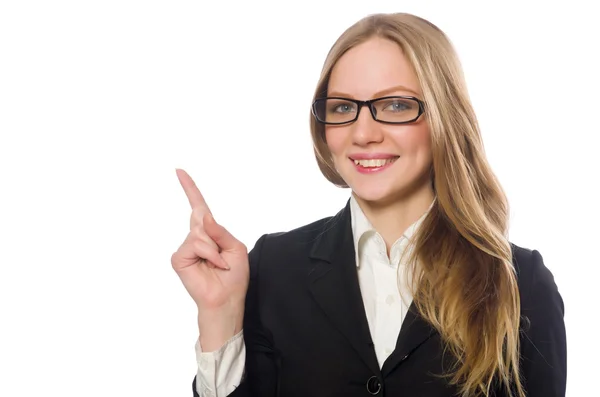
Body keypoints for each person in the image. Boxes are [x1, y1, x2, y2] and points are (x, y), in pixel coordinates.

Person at [171, 12, 567, 397]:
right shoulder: (272, 266)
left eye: (395, 105)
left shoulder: (518, 281)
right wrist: (219, 316)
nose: (363, 134)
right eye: (343, 107)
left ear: (445, 116)